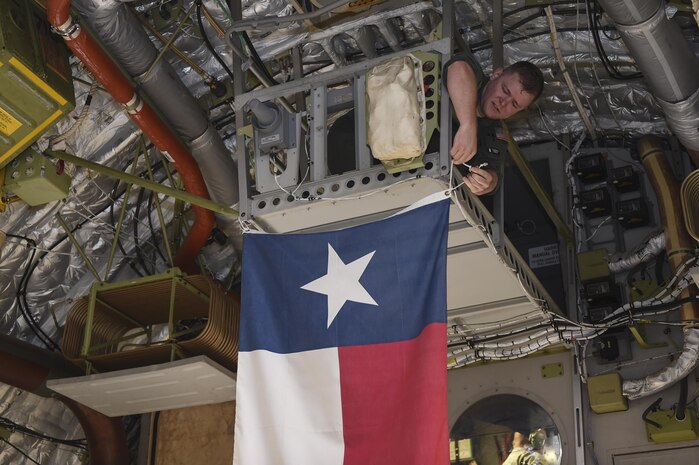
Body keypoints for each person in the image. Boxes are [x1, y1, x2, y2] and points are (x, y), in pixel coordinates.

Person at [444, 53, 544, 195]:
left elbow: (494, 177)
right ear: (496, 75)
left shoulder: (496, 134)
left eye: (514, 104)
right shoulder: (473, 76)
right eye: (505, 90)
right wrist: (468, 126)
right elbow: (458, 67)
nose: (503, 103)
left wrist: (487, 182)